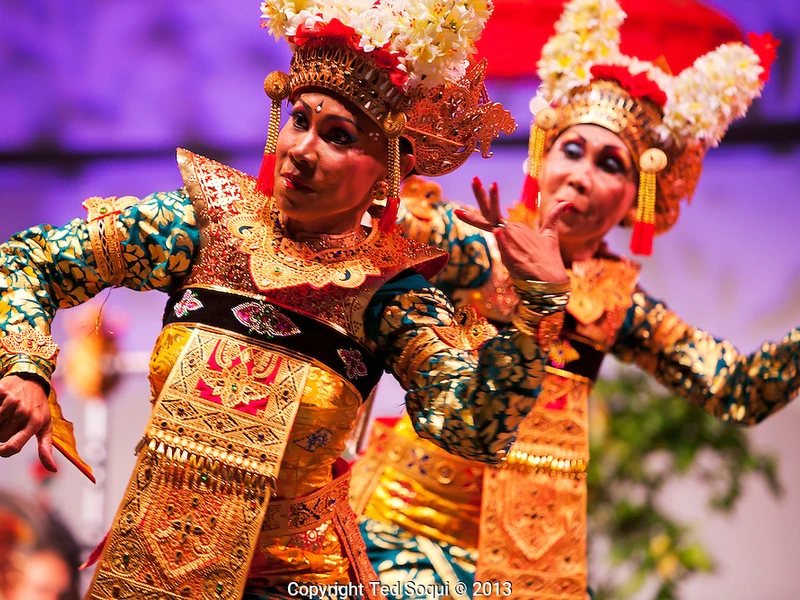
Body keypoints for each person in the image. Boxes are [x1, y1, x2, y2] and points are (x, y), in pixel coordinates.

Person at [0, 1, 580, 598]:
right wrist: (24, 369)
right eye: (299, 120)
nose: (301, 150)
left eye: (338, 137)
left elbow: (474, 430)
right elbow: (26, 261)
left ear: (388, 168)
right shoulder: (201, 228)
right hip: (152, 575)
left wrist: (536, 309)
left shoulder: (390, 293)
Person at [351, 1, 796, 598]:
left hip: (530, 557)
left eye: (611, 163)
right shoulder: (467, 237)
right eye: (572, 150)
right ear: (543, 157)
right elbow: (364, 217)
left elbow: (737, 389)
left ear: (638, 195)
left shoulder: (619, 304)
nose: (584, 174)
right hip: (404, 523)